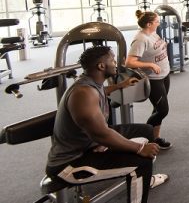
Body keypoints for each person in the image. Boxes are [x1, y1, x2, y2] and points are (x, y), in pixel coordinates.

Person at [46, 46, 168, 203]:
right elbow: (102, 134)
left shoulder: (91, 83)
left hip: (90, 143)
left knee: (145, 130)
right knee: (141, 162)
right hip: (72, 162)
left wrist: (119, 86)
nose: (116, 63)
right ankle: (142, 181)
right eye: (112, 59)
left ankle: (145, 179)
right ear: (101, 66)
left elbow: (101, 91)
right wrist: (140, 148)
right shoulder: (83, 93)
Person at [125, 11, 172, 150]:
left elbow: (155, 48)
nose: (159, 23)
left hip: (164, 75)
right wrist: (150, 65)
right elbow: (129, 62)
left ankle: (155, 138)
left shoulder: (153, 33)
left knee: (157, 109)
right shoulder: (140, 39)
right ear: (149, 24)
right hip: (153, 79)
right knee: (163, 110)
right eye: (157, 21)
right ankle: (142, 136)